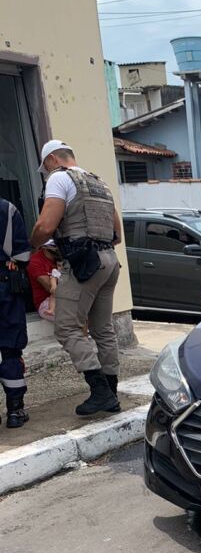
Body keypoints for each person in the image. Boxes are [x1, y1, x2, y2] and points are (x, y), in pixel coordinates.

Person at [30, 141, 121, 416]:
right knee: (103, 329)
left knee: (67, 327)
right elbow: (117, 234)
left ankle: (100, 392)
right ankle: (112, 392)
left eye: (45, 168)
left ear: (52, 160)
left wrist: (31, 245)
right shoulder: (98, 182)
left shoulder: (59, 178)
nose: (46, 174)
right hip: (109, 261)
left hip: (84, 264)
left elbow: (45, 225)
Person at [0, 198, 32, 428]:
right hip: (5, 287)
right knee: (11, 349)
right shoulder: (6, 208)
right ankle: (15, 411)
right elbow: (21, 254)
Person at [27, 240, 61, 322]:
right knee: (72, 316)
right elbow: (50, 288)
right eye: (55, 246)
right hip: (46, 302)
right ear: (45, 247)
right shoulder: (35, 261)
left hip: (65, 297)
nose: (59, 248)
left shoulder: (63, 257)